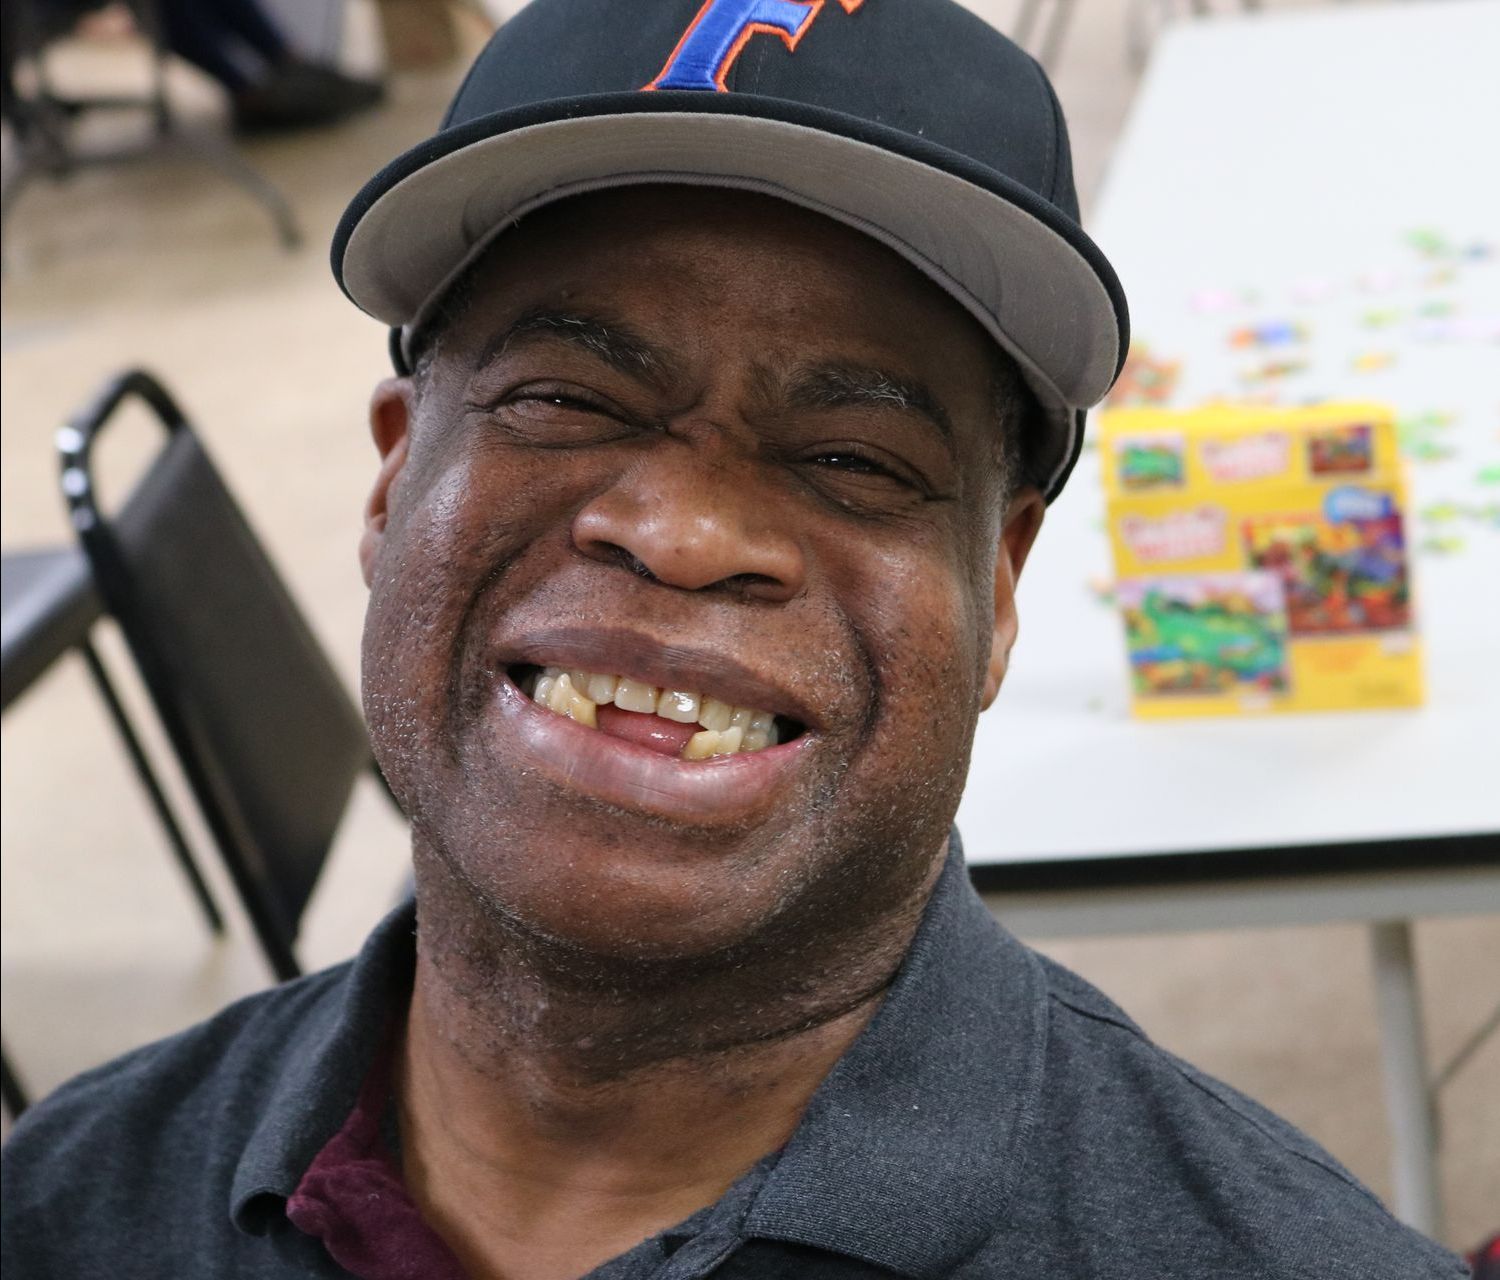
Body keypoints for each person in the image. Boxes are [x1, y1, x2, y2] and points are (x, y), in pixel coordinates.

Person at [0, 1, 1470, 1277]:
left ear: (1001, 589)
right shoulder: (65, 1210)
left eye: (854, 462)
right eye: (566, 399)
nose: (686, 530)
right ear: (395, 480)